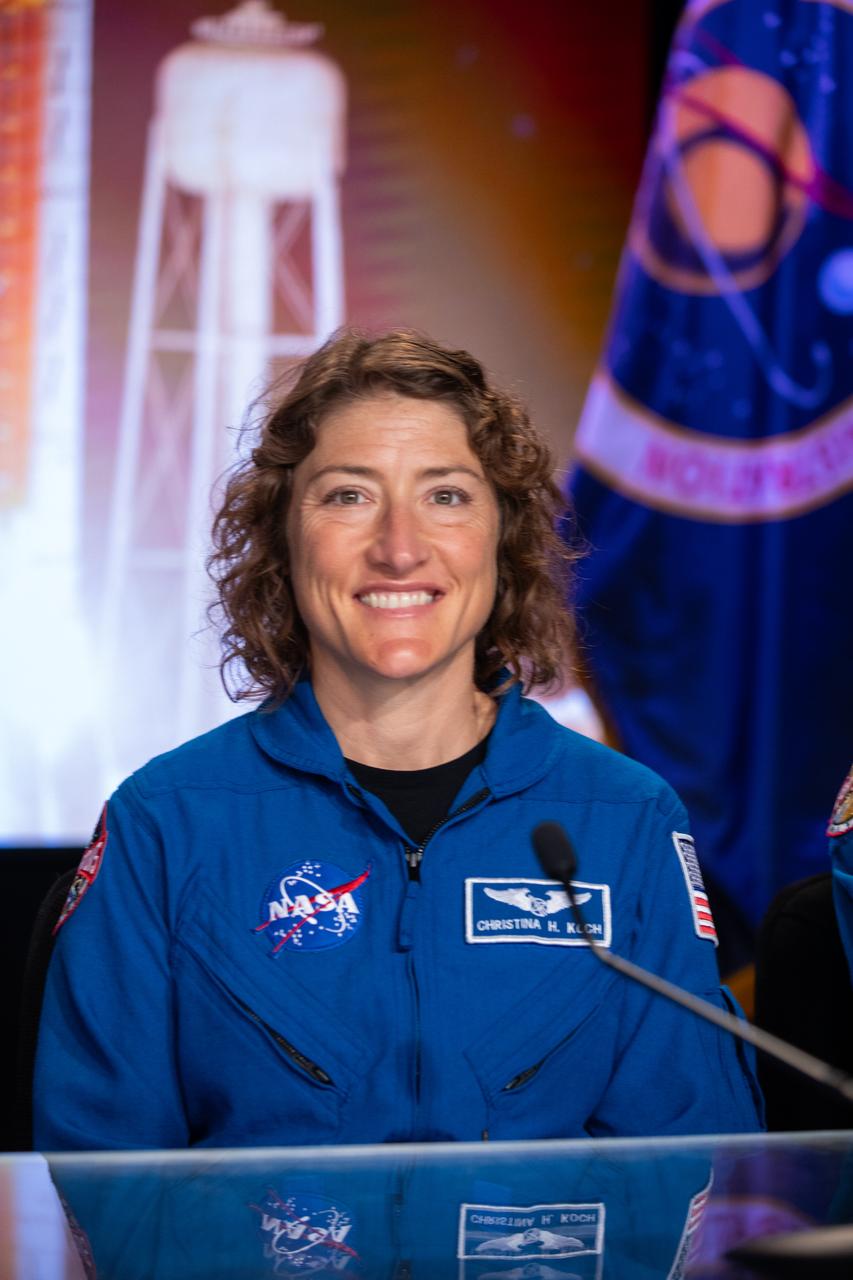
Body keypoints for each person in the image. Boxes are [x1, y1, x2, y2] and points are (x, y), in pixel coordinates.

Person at [33, 329, 762, 1150]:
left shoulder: (624, 818)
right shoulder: (166, 821)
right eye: (348, 496)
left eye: (445, 496)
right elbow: (98, 1184)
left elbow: (692, 1172)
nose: (399, 548)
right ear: (281, 538)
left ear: (503, 536)